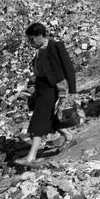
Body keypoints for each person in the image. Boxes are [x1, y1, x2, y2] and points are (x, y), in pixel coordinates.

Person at [15, 22, 76, 165]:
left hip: (53, 88)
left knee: (39, 120)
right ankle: (69, 137)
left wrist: (70, 90)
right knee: (50, 118)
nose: (31, 43)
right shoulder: (39, 50)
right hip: (41, 88)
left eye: (32, 39)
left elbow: (68, 67)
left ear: (40, 35)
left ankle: (31, 157)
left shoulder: (55, 46)